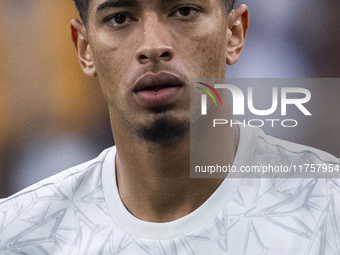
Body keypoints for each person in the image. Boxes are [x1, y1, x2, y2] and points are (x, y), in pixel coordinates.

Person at [0, 0, 339, 254]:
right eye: (119, 18)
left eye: (184, 11)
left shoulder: (329, 213)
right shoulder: (18, 233)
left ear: (233, 34)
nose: (152, 46)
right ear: (84, 48)